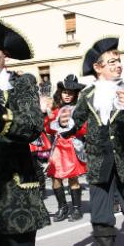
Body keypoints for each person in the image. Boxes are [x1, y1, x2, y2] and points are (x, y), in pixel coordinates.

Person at [59, 37, 124, 246]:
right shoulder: (87, 95)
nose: (118, 65)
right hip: (98, 162)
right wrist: (64, 122)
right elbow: (75, 125)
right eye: (112, 62)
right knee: (101, 216)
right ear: (98, 67)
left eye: (119, 60)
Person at [0, 17, 50, 246]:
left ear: (5, 54)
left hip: (13, 198)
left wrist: (3, 120)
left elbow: (32, 125)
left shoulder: (21, 83)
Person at [44, 74, 87, 222]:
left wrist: (73, 127)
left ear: (75, 94)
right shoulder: (55, 110)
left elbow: (84, 129)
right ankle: (62, 207)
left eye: (70, 93)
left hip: (72, 147)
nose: (67, 95)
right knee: (55, 178)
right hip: (57, 148)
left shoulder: (79, 109)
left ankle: (77, 209)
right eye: (65, 92)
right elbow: (48, 130)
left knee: (73, 179)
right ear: (60, 93)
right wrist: (49, 118)